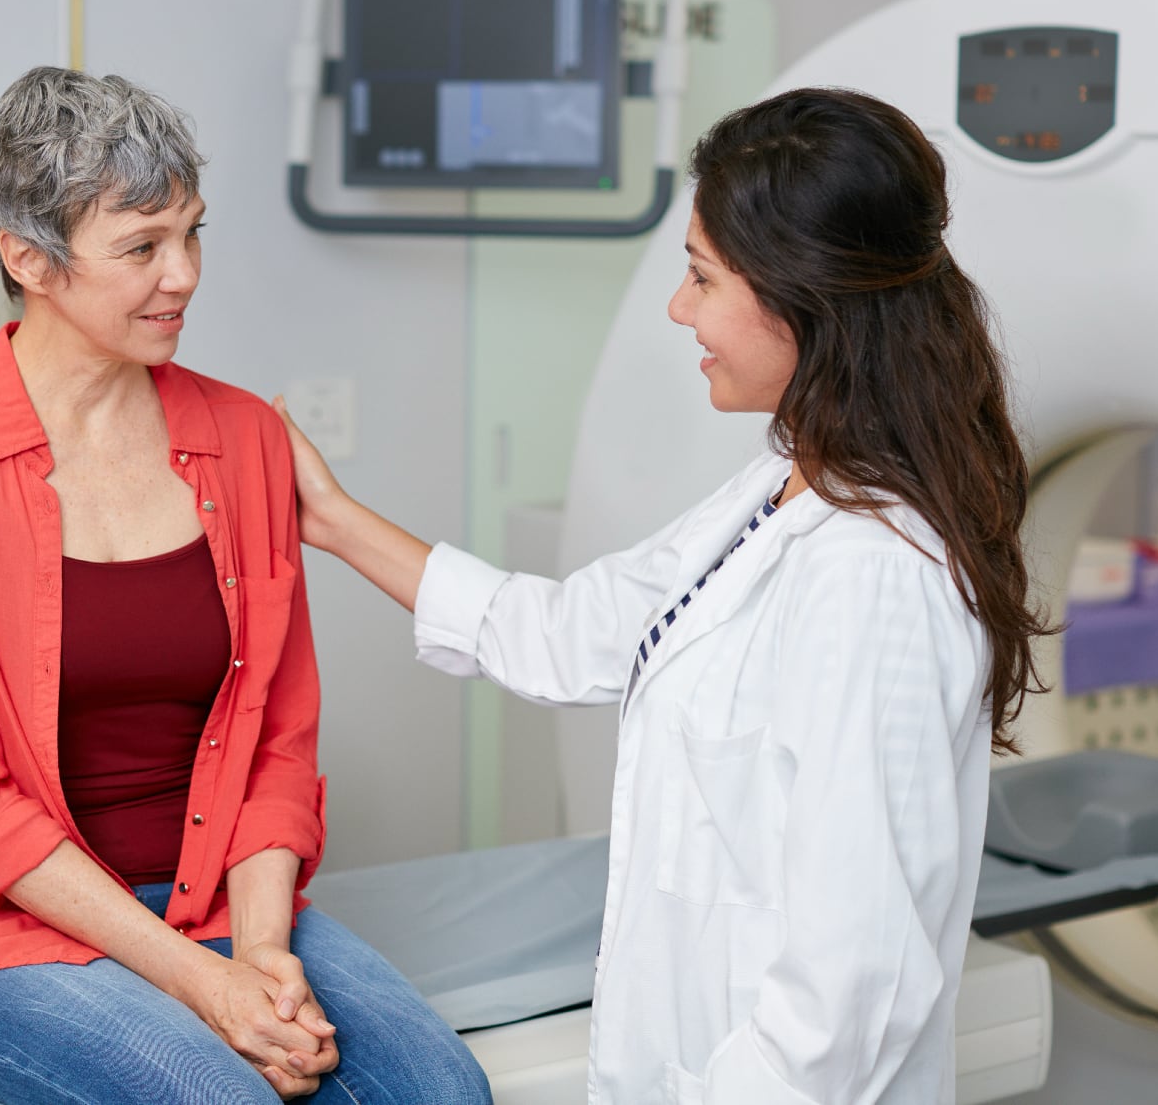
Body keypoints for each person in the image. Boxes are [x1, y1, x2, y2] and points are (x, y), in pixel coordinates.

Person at [276, 87, 1047, 1105]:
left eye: (700, 276)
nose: (679, 307)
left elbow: (848, 990)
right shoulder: (782, 487)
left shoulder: (874, 578)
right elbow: (559, 633)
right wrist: (326, 515)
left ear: (801, 294)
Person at [0, 66, 491, 1105]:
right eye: (141, 247)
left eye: (191, 233)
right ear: (27, 258)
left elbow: (278, 740)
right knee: (219, 1097)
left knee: (442, 1094)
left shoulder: (241, 435)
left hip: (220, 905)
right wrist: (205, 986)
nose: (182, 274)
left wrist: (264, 954)